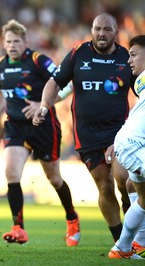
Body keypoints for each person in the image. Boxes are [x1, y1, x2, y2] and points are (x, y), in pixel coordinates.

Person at [32, 13, 132, 243]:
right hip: (86, 134)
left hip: (119, 132)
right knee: (104, 186)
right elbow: (54, 82)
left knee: (123, 178)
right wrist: (45, 106)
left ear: (116, 31)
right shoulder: (79, 54)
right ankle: (121, 242)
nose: (101, 34)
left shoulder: (126, 58)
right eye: (97, 29)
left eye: (107, 29)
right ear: (92, 30)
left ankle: (132, 212)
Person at [0, 19, 80, 246]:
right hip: (15, 126)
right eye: (8, 41)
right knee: (11, 173)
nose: (12, 45)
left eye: (16, 41)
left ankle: (72, 218)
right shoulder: (0, 65)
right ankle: (18, 228)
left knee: (54, 178)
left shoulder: (38, 61)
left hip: (43, 126)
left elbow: (64, 84)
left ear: (25, 42)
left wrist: (41, 104)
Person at [108, 35, 145, 260]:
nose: (128, 60)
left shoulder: (140, 82)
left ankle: (128, 246)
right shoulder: (140, 80)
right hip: (134, 144)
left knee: (138, 191)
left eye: (133, 54)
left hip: (131, 142)